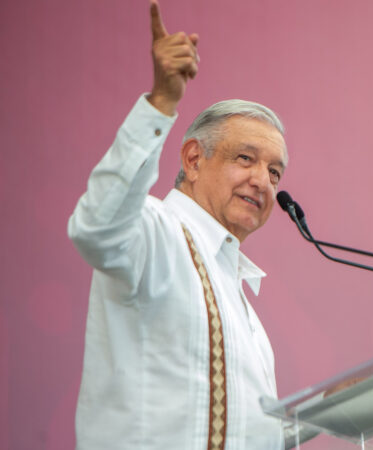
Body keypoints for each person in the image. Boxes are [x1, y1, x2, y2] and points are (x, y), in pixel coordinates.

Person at [68, 1, 287, 448]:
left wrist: (333, 410)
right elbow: (95, 228)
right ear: (192, 159)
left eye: (275, 172)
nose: (262, 181)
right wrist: (161, 102)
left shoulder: (249, 318)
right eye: (245, 158)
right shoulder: (154, 230)